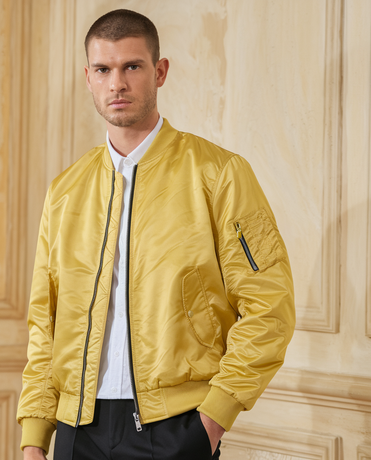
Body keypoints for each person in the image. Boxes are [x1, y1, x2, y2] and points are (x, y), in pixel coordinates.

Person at [17, 9, 295, 460]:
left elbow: (270, 306)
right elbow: (43, 323)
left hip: (175, 427)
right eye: (103, 70)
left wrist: (212, 420)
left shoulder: (219, 174)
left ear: (160, 71)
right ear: (88, 78)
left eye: (132, 66)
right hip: (75, 429)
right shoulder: (65, 191)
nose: (117, 84)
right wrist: (34, 435)